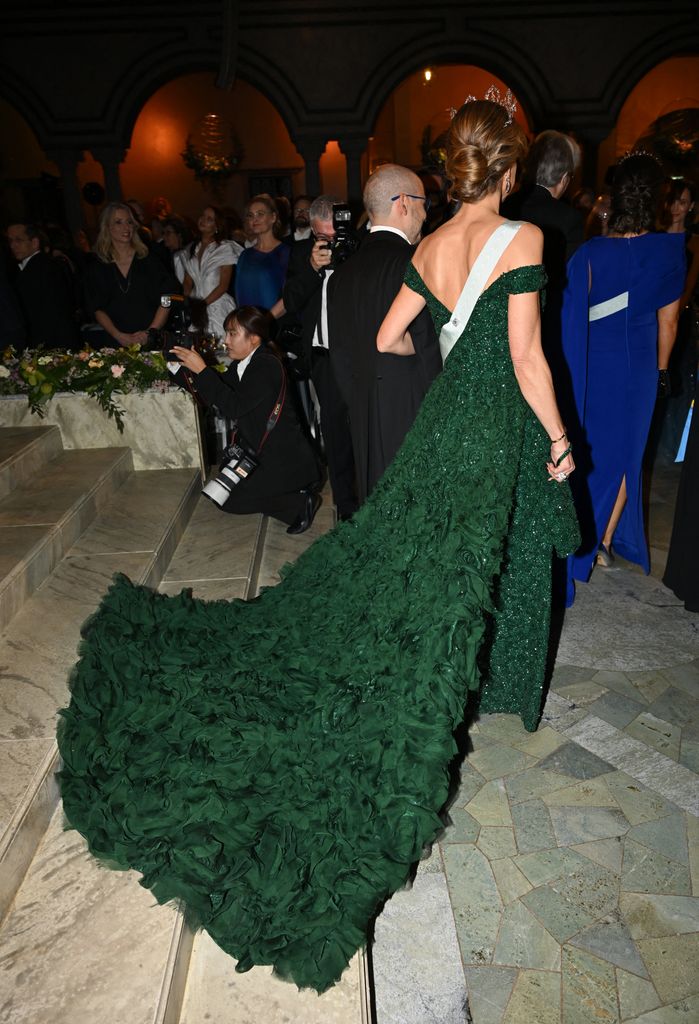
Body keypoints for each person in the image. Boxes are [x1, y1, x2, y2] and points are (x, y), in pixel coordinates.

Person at [56, 96, 578, 996]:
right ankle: (478, 690)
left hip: (442, 427)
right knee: (476, 565)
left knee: (433, 568)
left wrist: (456, 353)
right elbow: (529, 361)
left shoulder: (428, 248)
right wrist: (559, 441)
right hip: (489, 428)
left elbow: (383, 338)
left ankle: (474, 677)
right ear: (506, 171)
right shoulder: (522, 242)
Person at [561, 154, 685, 600]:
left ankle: (580, 542)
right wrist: (662, 371)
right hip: (638, 370)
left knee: (590, 451)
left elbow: (572, 317)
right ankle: (604, 541)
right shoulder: (670, 251)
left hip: (593, 365)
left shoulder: (591, 253)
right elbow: (668, 324)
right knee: (626, 455)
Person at [327, 164, 441, 504]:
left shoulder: (341, 274)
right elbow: (431, 343)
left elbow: (339, 356)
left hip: (362, 411)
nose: (424, 213)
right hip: (413, 411)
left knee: (376, 511)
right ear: (403, 202)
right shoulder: (415, 262)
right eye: (424, 203)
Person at [172, 306, 322, 532]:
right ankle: (290, 497)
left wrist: (202, 370)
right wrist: (178, 370)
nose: (226, 340)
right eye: (227, 333)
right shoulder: (244, 364)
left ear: (254, 338)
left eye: (232, 333)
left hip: (285, 460)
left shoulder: (266, 365)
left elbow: (234, 406)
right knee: (222, 494)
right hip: (260, 454)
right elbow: (218, 390)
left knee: (231, 499)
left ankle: (299, 502)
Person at [282, 194, 358, 519]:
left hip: (359, 354)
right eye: (323, 236)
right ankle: (346, 507)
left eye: (335, 234)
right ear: (313, 230)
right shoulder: (302, 254)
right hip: (323, 355)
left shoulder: (360, 246)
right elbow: (290, 300)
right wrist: (314, 268)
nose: (331, 242)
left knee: (365, 429)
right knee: (336, 433)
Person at [82, 202, 177, 348]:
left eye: (129, 222)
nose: (126, 227)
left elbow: (167, 297)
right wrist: (118, 335)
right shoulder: (98, 265)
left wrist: (151, 332)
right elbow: (97, 307)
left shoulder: (149, 258)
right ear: (107, 227)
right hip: (116, 343)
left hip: (152, 341)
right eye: (118, 222)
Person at [7, 221, 79, 347]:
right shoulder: (34, 266)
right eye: (10, 241)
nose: (13, 245)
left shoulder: (44, 267)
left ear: (34, 242)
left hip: (50, 344)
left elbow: (48, 312)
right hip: (51, 342)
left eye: (18, 240)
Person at [181, 206, 242, 339]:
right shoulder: (192, 248)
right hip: (196, 306)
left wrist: (202, 305)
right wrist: (187, 302)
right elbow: (187, 281)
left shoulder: (224, 248)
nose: (203, 220)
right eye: (202, 216)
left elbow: (223, 286)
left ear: (217, 226)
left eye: (209, 219)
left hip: (217, 305)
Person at [234, 195, 289, 314]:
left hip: (274, 324)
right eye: (250, 215)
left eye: (260, 214)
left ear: (273, 217)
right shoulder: (245, 255)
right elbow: (239, 294)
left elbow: (290, 297)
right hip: (247, 324)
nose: (255, 219)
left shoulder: (285, 252)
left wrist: (265, 321)